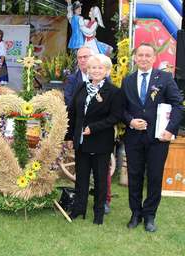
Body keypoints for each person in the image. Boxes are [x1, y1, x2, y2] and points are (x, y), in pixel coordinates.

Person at [121, 43, 184, 232]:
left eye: (148, 55)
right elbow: (121, 108)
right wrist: (131, 121)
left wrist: (170, 129)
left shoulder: (164, 78)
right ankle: (135, 213)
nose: (144, 58)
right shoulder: (127, 80)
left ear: (154, 58)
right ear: (135, 57)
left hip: (158, 138)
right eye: (140, 55)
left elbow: (178, 105)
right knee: (134, 176)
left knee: (155, 177)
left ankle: (149, 216)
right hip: (133, 138)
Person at [65, 54, 123, 225]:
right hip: (81, 143)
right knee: (81, 178)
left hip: (101, 142)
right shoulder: (82, 87)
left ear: (106, 71)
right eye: (92, 68)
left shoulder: (114, 92)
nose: (96, 71)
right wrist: (69, 136)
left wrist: (94, 128)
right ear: (87, 70)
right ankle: (78, 209)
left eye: (99, 68)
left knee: (100, 180)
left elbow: (115, 117)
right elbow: (72, 113)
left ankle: (98, 214)